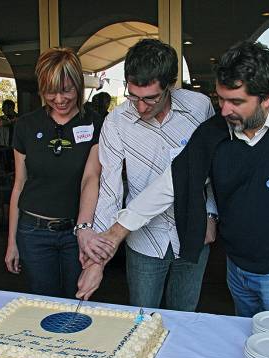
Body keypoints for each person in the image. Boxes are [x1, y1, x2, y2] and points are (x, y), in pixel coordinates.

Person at [78, 41, 269, 320]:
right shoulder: (214, 131)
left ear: (267, 98)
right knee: (245, 342)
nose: (224, 110)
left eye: (235, 102)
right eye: (221, 99)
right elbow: (172, 184)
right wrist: (115, 234)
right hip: (237, 268)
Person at [77, 39, 217, 311]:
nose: (140, 107)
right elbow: (110, 191)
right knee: (141, 318)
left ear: (170, 85)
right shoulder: (116, 122)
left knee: (184, 318)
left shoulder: (200, 108)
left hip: (193, 234)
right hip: (143, 240)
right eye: (133, 96)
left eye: (151, 98)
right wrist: (99, 258)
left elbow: (213, 169)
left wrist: (211, 214)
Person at [4, 47, 106, 298]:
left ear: (79, 86)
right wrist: (11, 242)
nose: (59, 99)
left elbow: (91, 178)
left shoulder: (95, 123)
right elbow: (19, 185)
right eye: (51, 91)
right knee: (44, 303)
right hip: (33, 231)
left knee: (80, 302)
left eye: (66, 90)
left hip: (76, 232)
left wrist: (84, 229)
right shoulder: (26, 125)